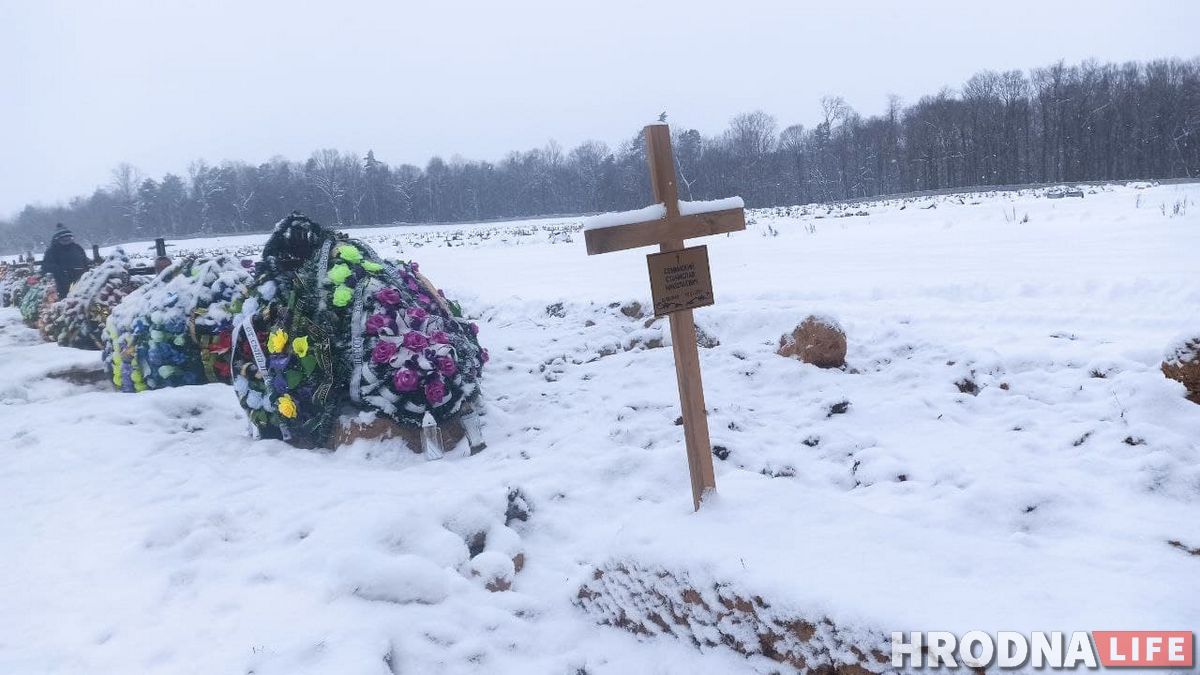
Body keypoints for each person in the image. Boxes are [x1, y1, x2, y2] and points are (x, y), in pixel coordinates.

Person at [41, 224, 90, 297]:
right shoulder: (52, 250)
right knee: (67, 300)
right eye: (64, 238)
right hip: (62, 283)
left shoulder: (77, 248)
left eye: (69, 237)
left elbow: (85, 262)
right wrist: (61, 271)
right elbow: (46, 266)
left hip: (81, 281)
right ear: (57, 239)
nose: (67, 240)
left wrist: (88, 271)